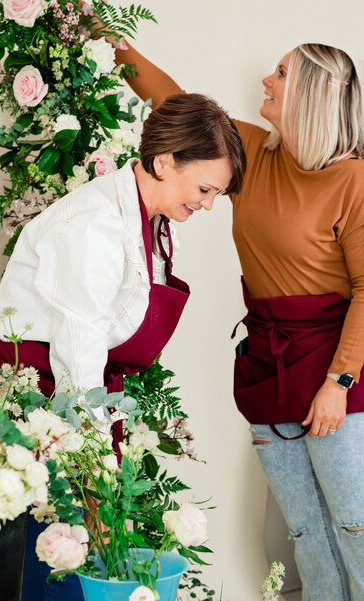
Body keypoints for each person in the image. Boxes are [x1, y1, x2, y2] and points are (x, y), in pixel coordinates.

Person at [0, 92, 245, 601]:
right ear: (164, 161)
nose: (207, 205)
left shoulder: (156, 221)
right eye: (205, 189)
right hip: (29, 402)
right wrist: (96, 466)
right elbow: (78, 359)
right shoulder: (94, 226)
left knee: (82, 550)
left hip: (78, 392)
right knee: (40, 553)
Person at [115, 42, 364, 601]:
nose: (267, 79)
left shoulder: (355, 180)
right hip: (267, 366)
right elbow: (169, 101)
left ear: (314, 95)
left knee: (357, 529)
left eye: (281, 73)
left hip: (336, 373)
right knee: (306, 533)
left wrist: (338, 382)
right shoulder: (248, 152)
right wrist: (110, 40)